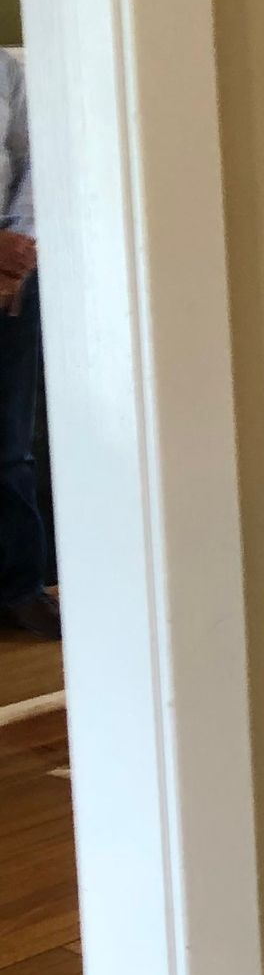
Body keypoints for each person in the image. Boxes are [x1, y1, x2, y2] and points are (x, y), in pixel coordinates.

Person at [0, 49, 55, 638]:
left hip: (9, 282)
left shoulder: (5, 71)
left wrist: (16, 247)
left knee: (10, 445)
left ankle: (19, 589)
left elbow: (36, 160)